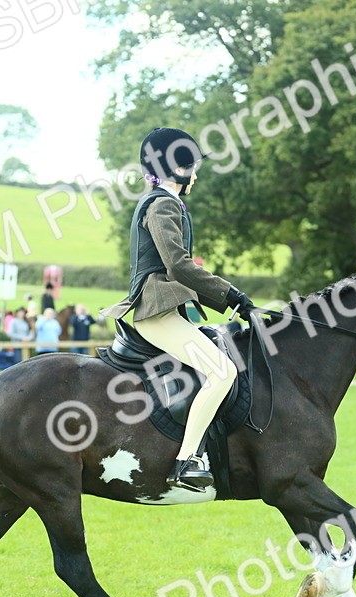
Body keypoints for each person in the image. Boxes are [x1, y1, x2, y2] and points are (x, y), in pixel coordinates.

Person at [99, 127, 255, 492]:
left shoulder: (163, 201)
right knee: (223, 372)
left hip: (166, 310)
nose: (196, 175)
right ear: (177, 169)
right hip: (155, 313)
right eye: (193, 167)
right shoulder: (163, 203)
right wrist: (231, 294)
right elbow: (179, 265)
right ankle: (187, 461)